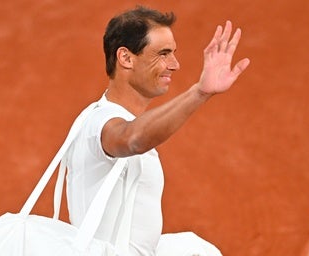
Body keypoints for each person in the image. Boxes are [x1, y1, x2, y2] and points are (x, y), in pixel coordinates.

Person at [65, 6, 250, 256]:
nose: (174, 64)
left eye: (173, 53)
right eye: (163, 54)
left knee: (197, 249)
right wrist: (200, 92)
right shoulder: (100, 122)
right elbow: (130, 139)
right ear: (126, 58)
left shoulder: (105, 114)